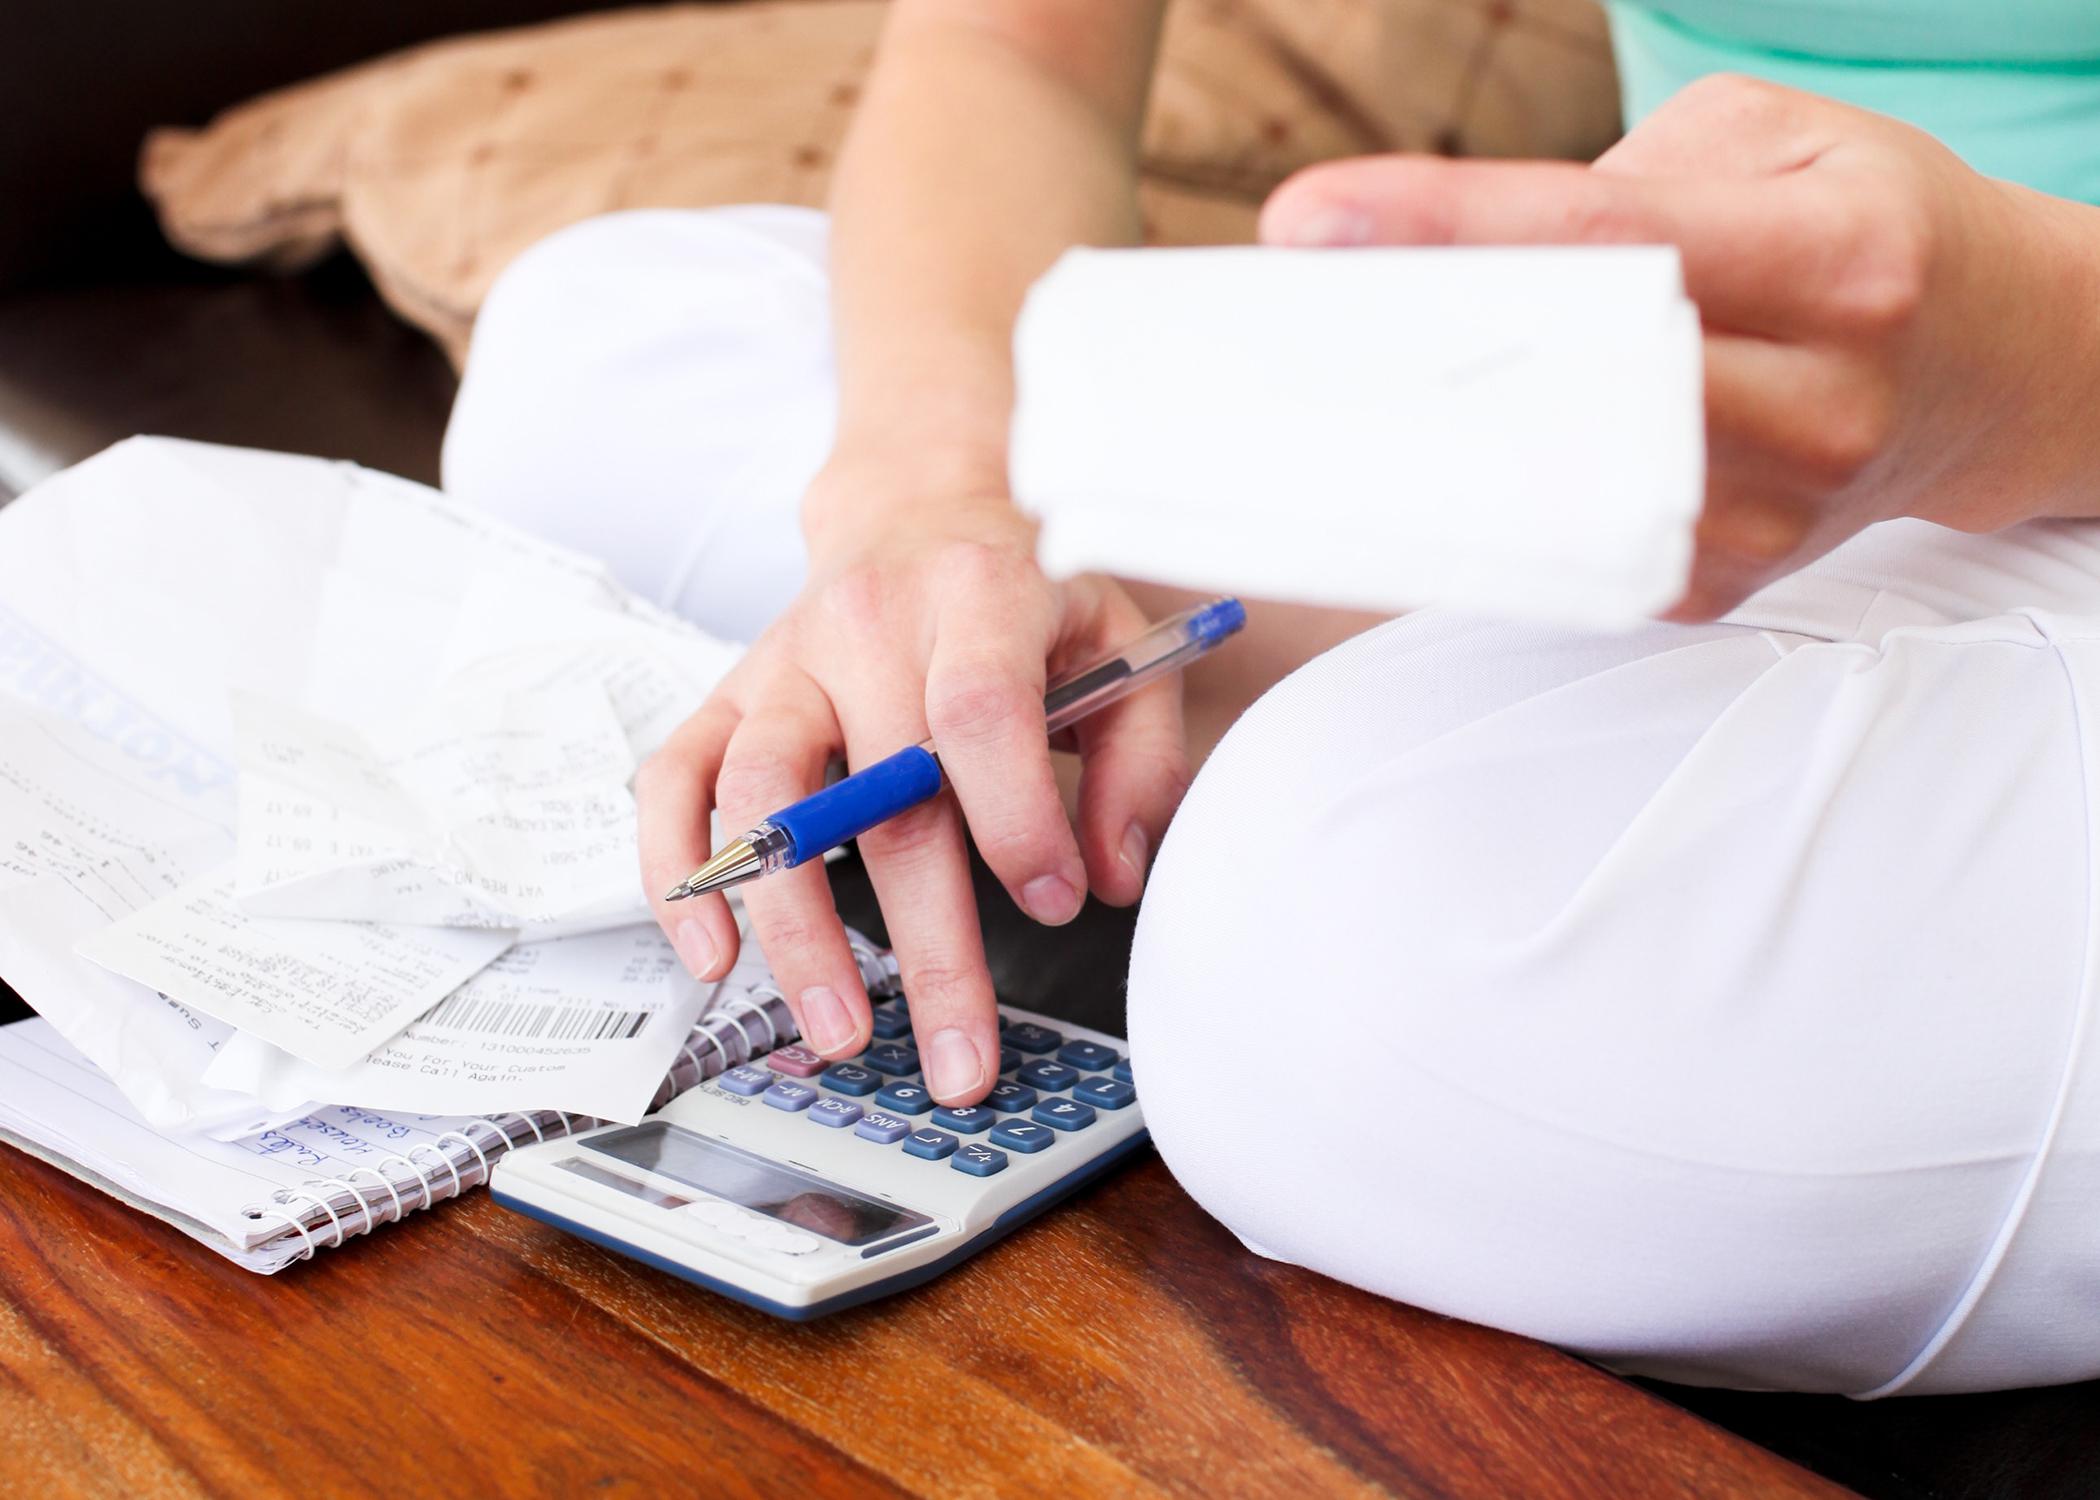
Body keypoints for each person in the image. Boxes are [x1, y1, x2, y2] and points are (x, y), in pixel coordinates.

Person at [443, 0, 2100, 1395]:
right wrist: (936, 507)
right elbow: (1019, 58)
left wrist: (2013, 351)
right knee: (594, 352)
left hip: (2060, 424)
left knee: (1324, 969)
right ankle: (1265, 692)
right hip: (1646, 408)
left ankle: (1359, 741)